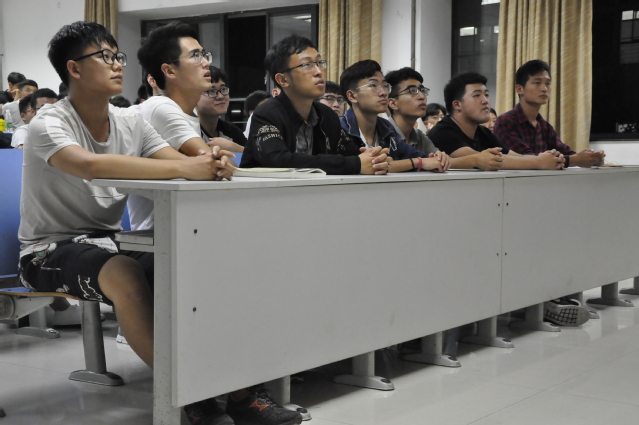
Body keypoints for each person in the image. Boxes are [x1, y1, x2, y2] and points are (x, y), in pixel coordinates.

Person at [19, 20, 235, 424]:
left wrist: (211, 162)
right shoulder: (48, 123)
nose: (118, 64)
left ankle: (238, 383)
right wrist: (189, 168)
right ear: (74, 68)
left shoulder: (130, 121)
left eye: (117, 55)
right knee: (124, 272)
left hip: (109, 241)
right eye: (105, 56)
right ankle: (188, 392)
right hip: (46, 251)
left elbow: (180, 163)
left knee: (195, 262)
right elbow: (90, 165)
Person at [138, 21, 302, 425]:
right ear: (168, 70)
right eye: (195, 55)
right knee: (233, 277)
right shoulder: (160, 107)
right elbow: (214, 163)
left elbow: (220, 164)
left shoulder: (187, 114)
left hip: (195, 233)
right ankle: (222, 393)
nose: (206, 63)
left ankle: (230, 388)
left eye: (205, 54)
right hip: (157, 239)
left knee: (258, 266)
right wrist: (225, 155)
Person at [241, 35, 391, 175]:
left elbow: (352, 154)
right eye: (307, 65)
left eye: (319, 63)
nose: (319, 71)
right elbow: (279, 161)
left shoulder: (327, 115)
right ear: (283, 80)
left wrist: (375, 160)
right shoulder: (266, 114)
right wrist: (355, 164)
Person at [428, 72, 565, 171]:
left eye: (486, 95)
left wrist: (548, 159)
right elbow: (481, 159)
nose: (485, 101)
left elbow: (514, 156)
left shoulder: (483, 132)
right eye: (477, 95)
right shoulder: (443, 132)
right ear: (457, 105)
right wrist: (539, 162)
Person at [338, 60, 447, 172]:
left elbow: (415, 156)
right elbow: (366, 166)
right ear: (352, 96)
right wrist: (417, 162)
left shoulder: (386, 128)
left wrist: (438, 159)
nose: (384, 92)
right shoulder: (338, 127)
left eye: (385, 86)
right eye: (373, 85)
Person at [493, 59, 605, 167]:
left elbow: (566, 152)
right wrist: (574, 160)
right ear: (519, 89)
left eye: (548, 83)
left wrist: (590, 158)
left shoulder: (545, 126)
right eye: (537, 83)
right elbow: (526, 159)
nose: (544, 89)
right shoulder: (505, 122)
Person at [384, 67, 451, 169]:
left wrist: (443, 159)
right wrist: (420, 162)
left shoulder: (419, 136)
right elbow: (377, 167)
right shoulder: (383, 133)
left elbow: (438, 161)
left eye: (422, 91)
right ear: (393, 103)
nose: (422, 96)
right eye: (412, 91)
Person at [196, 66, 246, 152]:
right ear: (192, 96)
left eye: (223, 89)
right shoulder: (187, 131)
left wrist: (235, 148)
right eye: (211, 91)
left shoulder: (230, 131)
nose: (220, 96)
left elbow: (255, 158)